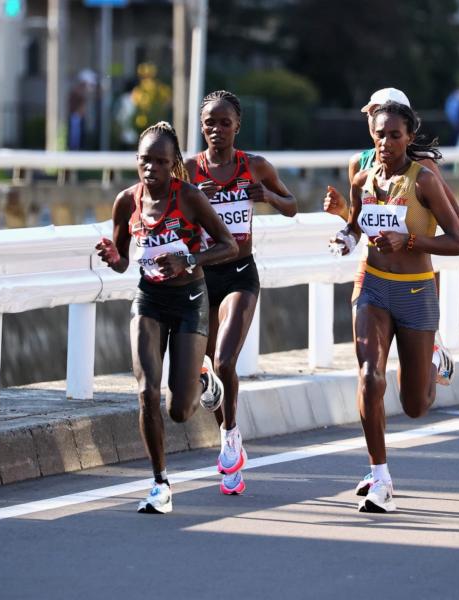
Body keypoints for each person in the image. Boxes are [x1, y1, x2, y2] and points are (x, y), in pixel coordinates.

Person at [328, 101, 459, 513]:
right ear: (370, 135)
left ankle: (433, 357)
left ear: (409, 136)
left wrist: (409, 241)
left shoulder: (422, 179)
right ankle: (381, 475)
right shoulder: (363, 179)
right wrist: (344, 236)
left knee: (415, 406)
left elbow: (457, 241)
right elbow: (356, 227)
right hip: (373, 289)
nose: (386, 143)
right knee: (370, 376)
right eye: (379, 134)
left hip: (415, 292)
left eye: (394, 135)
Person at [96, 122, 238, 514]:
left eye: (160, 161)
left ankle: (202, 378)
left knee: (180, 410)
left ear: (173, 163)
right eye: (145, 160)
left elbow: (228, 245)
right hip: (149, 299)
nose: (151, 169)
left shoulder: (190, 198)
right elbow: (125, 261)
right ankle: (160, 484)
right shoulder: (127, 202)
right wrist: (114, 258)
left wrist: (188, 259)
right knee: (145, 392)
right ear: (136, 161)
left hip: (191, 298)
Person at [185, 90, 297, 496]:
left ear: (237, 125)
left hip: (239, 273)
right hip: (199, 277)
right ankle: (215, 406)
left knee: (225, 359)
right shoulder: (188, 171)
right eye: (209, 122)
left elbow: (292, 204)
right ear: (201, 126)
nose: (216, 129)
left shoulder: (255, 166)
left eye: (224, 122)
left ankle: (231, 436)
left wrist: (267, 196)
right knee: (201, 371)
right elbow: (164, 211)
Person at [324, 88, 459, 224]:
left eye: (380, 111)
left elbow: (457, 220)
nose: (375, 119)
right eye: (371, 113)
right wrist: (343, 211)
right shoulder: (358, 163)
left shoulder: (422, 164)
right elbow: (363, 226)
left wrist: (409, 241)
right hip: (373, 248)